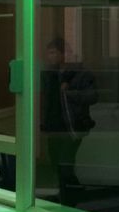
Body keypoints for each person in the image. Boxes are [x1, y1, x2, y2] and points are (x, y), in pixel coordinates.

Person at [39, 37, 98, 201]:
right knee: (55, 162)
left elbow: (93, 96)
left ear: (63, 54)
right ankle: (68, 193)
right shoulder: (49, 74)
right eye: (48, 53)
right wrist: (43, 123)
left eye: (53, 53)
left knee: (65, 163)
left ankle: (72, 196)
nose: (49, 57)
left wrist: (69, 93)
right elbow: (46, 101)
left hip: (72, 126)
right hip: (53, 126)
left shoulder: (80, 74)